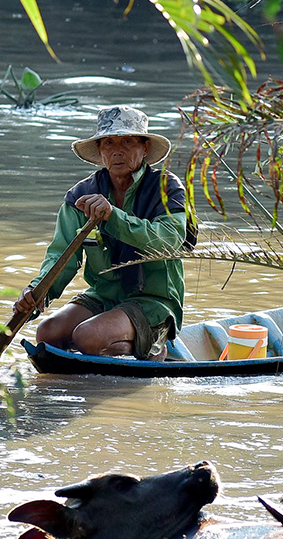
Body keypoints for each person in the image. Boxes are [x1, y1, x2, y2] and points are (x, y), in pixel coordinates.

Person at [12, 105, 192, 358]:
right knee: (48, 334)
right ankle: (111, 348)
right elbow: (61, 256)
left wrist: (113, 217)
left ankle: (154, 343)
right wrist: (35, 294)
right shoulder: (80, 197)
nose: (117, 150)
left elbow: (170, 241)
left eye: (128, 141)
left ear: (145, 148)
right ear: (100, 151)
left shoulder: (166, 187)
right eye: (108, 143)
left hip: (153, 300)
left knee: (87, 336)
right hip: (103, 294)